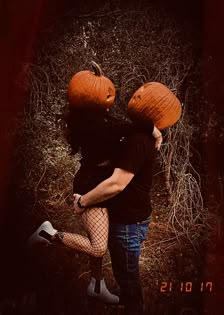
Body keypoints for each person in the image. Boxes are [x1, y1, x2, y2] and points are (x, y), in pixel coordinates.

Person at [28, 106, 162, 306]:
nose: (109, 103)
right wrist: (153, 129)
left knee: (97, 233)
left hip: (99, 181)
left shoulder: (98, 120)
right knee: (98, 247)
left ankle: (97, 285)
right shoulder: (98, 126)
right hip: (90, 185)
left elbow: (123, 127)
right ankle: (48, 234)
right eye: (105, 99)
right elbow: (125, 128)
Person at [71, 124, 157, 314]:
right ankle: (102, 287)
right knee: (126, 272)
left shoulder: (137, 141)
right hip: (133, 218)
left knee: (127, 275)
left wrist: (83, 202)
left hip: (128, 224)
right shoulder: (139, 136)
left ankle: (133, 306)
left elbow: (116, 184)